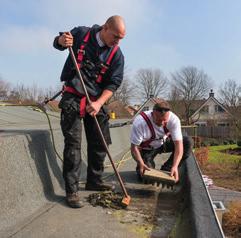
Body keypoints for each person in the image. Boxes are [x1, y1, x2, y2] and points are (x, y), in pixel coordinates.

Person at [53, 15, 126, 208]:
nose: (117, 42)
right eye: (115, 37)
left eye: (121, 39)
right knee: (73, 146)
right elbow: (59, 42)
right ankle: (72, 191)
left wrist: (100, 103)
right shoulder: (81, 33)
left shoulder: (116, 55)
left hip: (96, 100)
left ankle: (95, 180)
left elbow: (114, 82)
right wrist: (62, 40)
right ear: (105, 28)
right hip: (73, 97)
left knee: (100, 142)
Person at [130, 99, 192, 182]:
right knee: (146, 178)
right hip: (147, 149)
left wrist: (175, 166)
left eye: (165, 121)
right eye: (159, 120)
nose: (162, 123)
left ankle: (168, 168)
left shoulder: (174, 120)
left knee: (187, 142)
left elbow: (179, 146)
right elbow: (134, 148)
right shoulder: (140, 122)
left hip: (164, 143)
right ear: (152, 114)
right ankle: (146, 164)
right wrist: (141, 163)